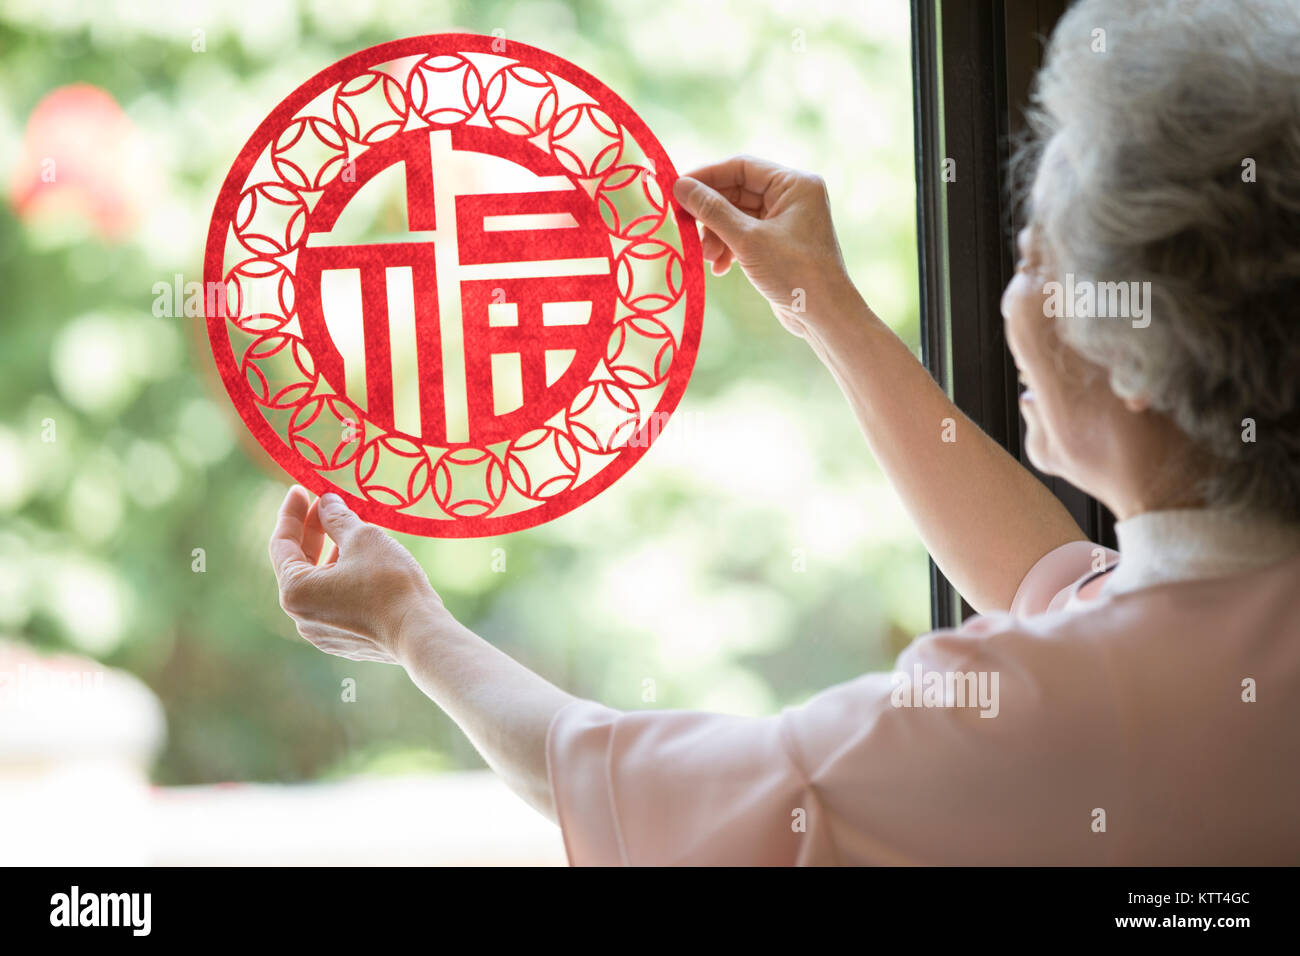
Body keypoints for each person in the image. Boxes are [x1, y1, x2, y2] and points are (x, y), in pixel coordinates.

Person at [268, 0, 1300, 864]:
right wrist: (824, 306)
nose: (1007, 297)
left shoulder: (1051, 716)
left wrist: (410, 624)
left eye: (1034, 259)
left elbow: (639, 784)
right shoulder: (1224, 609)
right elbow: (1061, 585)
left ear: (1131, 354)